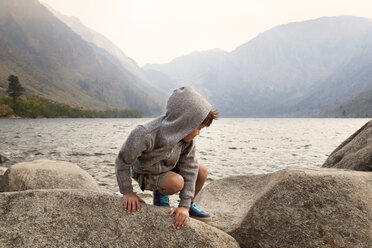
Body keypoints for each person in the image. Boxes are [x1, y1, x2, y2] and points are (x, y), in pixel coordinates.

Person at [115, 86, 218, 230]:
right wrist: (128, 192)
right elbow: (122, 161)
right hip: (145, 171)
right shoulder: (145, 133)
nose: (198, 133)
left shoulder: (186, 139)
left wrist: (184, 206)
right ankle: (160, 194)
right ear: (185, 122)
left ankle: (190, 204)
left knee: (201, 170)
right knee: (176, 183)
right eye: (198, 128)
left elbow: (190, 167)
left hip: (167, 166)